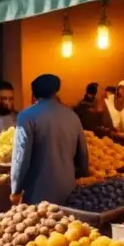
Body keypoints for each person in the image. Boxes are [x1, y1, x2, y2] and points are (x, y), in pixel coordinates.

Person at [11, 74, 89, 206]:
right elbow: (83, 154)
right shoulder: (72, 116)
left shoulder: (26, 116)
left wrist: (15, 189)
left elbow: (21, 157)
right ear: (55, 92)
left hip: (37, 193)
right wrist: (82, 176)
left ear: (33, 95)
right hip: (68, 190)